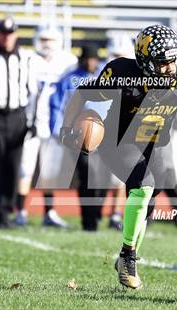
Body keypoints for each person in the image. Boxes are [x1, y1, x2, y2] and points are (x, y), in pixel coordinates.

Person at [60, 25, 177, 289]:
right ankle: (128, 256)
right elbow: (82, 93)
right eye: (162, 63)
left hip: (157, 143)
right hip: (119, 140)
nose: (170, 68)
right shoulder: (123, 74)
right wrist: (67, 129)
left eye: (173, 60)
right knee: (143, 186)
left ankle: (128, 253)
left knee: (148, 203)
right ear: (145, 62)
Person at [15, 24, 77, 227]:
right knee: (25, 169)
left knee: (49, 173)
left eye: (50, 40)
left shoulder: (68, 62)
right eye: (43, 40)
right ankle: (21, 212)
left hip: (54, 126)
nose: (47, 44)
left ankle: (48, 213)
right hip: (30, 124)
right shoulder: (28, 59)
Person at [0, 17, 37, 228]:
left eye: (10, 33)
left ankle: (4, 213)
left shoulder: (27, 58)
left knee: (12, 167)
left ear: (15, 34)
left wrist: (31, 121)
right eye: (3, 33)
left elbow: (33, 92)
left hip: (17, 116)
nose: (6, 37)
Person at [49, 45, 103, 231]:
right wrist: (59, 131)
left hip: (103, 135)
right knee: (88, 174)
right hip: (78, 136)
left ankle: (96, 214)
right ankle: (88, 221)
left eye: (94, 59)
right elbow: (57, 105)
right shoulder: (70, 79)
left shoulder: (105, 76)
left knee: (101, 176)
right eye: (88, 59)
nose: (91, 63)